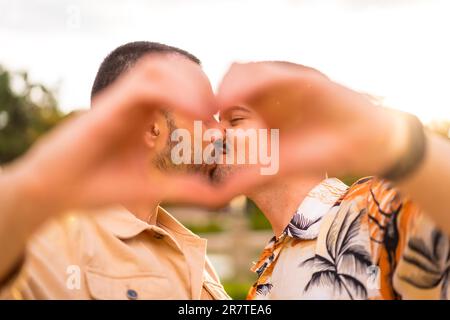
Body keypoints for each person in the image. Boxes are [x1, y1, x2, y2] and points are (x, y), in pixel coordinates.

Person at [0, 41, 230, 300]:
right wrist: (35, 183)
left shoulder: (192, 254)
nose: (220, 132)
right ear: (150, 126)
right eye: (205, 116)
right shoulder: (49, 243)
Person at [213, 61, 450, 299]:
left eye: (235, 120)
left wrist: (388, 139)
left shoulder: (374, 209)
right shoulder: (264, 281)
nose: (213, 133)